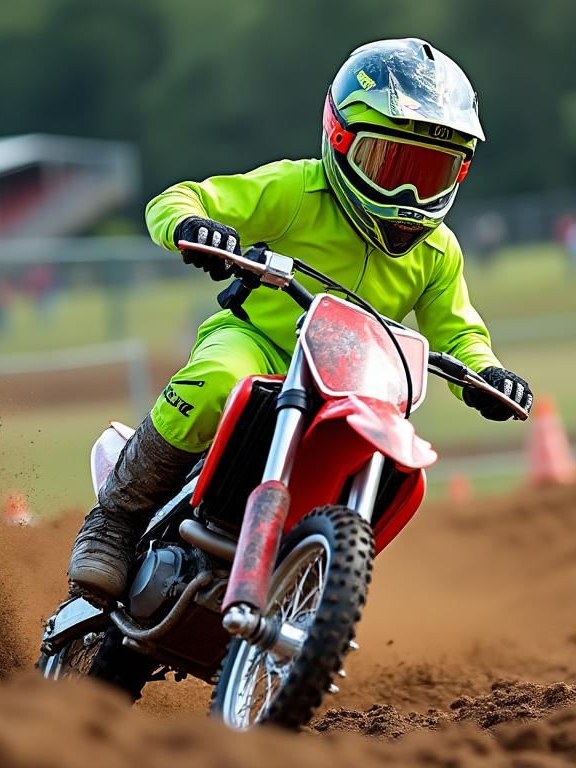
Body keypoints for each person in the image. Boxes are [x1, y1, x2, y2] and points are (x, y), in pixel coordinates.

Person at [68, 38, 534, 604]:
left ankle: (314, 587)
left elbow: (458, 332)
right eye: (390, 165)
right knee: (219, 380)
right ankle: (114, 521)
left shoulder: (439, 252)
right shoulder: (295, 190)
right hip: (257, 345)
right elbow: (179, 198)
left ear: (459, 175)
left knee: (387, 455)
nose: (408, 194)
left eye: (430, 173)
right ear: (340, 140)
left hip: (354, 384)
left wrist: (487, 375)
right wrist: (195, 226)